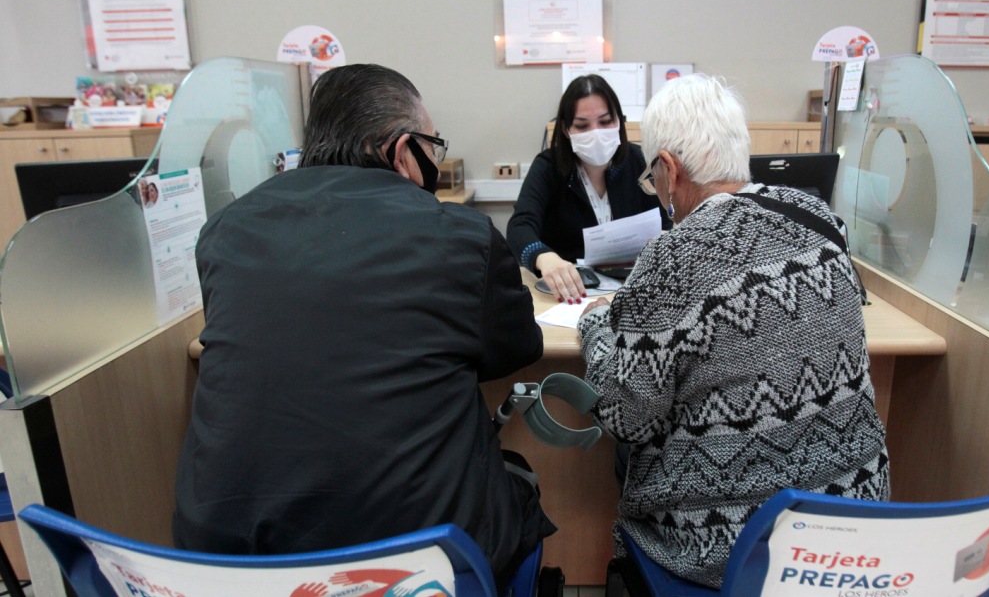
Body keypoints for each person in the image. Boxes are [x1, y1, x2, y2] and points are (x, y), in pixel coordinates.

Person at [173, 63, 555, 587]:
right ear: (401, 151)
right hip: (414, 565)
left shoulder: (224, 230)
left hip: (228, 568)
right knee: (511, 485)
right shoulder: (460, 236)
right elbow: (518, 348)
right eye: (432, 147)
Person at [577, 74, 889, 589]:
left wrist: (594, 325)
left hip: (734, 548)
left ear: (668, 168)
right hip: (850, 532)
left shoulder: (672, 258)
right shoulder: (817, 217)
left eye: (653, 180)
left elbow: (625, 416)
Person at [506, 75, 664, 304]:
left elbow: (666, 222)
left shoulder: (640, 162)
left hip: (636, 289)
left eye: (605, 122)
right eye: (582, 126)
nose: (596, 132)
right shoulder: (548, 167)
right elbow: (519, 226)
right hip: (569, 293)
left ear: (619, 122)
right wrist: (544, 258)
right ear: (565, 129)